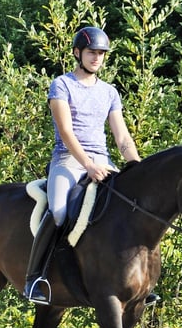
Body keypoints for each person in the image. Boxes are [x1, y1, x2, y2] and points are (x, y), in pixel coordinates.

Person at [23, 27, 160, 307]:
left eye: (101, 53)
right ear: (78, 53)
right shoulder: (62, 85)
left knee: (136, 208)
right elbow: (66, 131)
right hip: (69, 161)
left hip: (103, 162)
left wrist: (137, 167)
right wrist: (88, 165)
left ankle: (143, 282)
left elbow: (121, 137)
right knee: (59, 212)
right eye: (91, 52)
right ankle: (35, 278)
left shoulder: (109, 92)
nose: (97, 58)